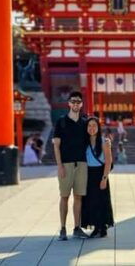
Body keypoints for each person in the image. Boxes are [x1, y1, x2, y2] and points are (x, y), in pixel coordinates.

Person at [52, 91, 89, 240]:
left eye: (78, 102)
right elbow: (56, 146)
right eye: (73, 101)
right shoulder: (61, 122)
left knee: (79, 196)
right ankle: (62, 228)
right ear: (68, 103)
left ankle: (77, 227)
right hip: (66, 164)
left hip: (81, 164)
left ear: (81, 104)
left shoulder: (84, 122)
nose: (75, 104)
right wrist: (59, 165)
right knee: (64, 196)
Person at [81, 117, 115, 238]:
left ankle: (103, 226)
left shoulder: (104, 142)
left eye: (94, 125)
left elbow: (108, 161)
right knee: (91, 201)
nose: (91, 128)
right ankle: (96, 227)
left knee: (102, 200)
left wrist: (104, 178)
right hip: (88, 174)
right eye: (89, 126)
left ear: (98, 127)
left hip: (100, 174)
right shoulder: (84, 142)